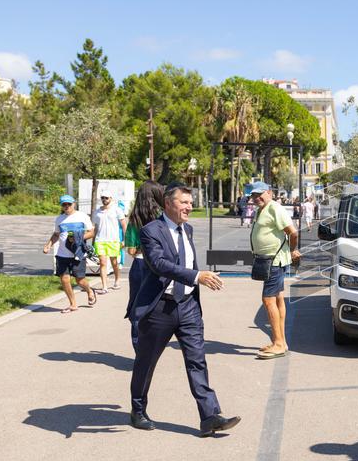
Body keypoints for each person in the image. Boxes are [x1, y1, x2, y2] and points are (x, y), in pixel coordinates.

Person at [128, 182, 240, 436]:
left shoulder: (187, 229)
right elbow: (159, 264)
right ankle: (137, 409)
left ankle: (210, 416)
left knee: (196, 360)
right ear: (168, 203)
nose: (190, 207)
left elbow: (186, 261)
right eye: (184, 202)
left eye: (191, 202)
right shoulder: (150, 231)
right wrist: (196, 276)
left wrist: (196, 280)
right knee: (146, 361)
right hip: (160, 308)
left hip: (188, 306)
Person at [248, 181, 302, 359]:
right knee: (277, 297)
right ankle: (280, 342)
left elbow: (293, 232)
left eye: (260, 194)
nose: (257, 198)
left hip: (274, 261)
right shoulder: (262, 209)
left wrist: (293, 250)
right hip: (268, 260)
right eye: (254, 195)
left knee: (268, 299)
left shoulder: (275, 208)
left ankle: (278, 343)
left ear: (269, 192)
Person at [124, 180, 165, 347]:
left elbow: (131, 250)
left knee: (137, 307)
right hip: (161, 265)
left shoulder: (134, 218)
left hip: (140, 265)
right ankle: (153, 347)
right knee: (159, 306)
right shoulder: (163, 217)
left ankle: (139, 348)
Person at [42, 195, 97, 314]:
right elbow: (56, 234)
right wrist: (48, 245)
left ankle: (90, 291)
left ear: (74, 204)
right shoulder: (59, 219)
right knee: (65, 279)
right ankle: (73, 304)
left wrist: (78, 238)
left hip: (78, 253)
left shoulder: (82, 216)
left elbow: (91, 232)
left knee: (80, 280)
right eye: (64, 204)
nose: (66, 206)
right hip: (62, 254)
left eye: (68, 204)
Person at [92, 188, 127, 294]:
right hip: (100, 240)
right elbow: (95, 227)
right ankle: (104, 286)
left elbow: (124, 224)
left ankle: (117, 280)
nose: (104, 200)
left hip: (113, 240)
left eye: (106, 198)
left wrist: (125, 240)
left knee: (114, 262)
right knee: (102, 263)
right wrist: (93, 241)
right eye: (102, 198)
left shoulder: (117, 209)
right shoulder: (97, 212)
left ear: (111, 198)